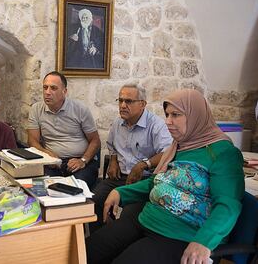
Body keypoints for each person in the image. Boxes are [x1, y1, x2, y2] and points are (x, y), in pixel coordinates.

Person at [86, 89, 245, 264]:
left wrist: (203, 242)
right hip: (148, 217)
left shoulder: (223, 153)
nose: (168, 121)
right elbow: (157, 182)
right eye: (167, 114)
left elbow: (228, 205)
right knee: (88, 250)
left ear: (195, 116)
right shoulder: (179, 146)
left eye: (175, 115)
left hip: (180, 232)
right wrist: (121, 192)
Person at [90, 84, 172, 232]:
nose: (122, 105)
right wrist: (113, 161)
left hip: (144, 179)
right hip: (119, 177)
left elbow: (167, 153)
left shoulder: (156, 125)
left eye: (128, 101)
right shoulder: (117, 123)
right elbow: (111, 145)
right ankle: (100, 237)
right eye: (120, 100)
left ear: (142, 104)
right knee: (94, 200)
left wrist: (144, 164)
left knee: (129, 214)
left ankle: (119, 241)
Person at [27, 71, 101, 189]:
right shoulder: (36, 109)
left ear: (64, 91)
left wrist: (82, 160)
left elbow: (95, 141)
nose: (47, 92)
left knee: (73, 189)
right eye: (45, 88)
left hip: (79, 162)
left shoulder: (80, 109)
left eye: (53, 88)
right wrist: (47, 154)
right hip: (51, 162)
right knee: (39, 187)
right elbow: (32, 141)